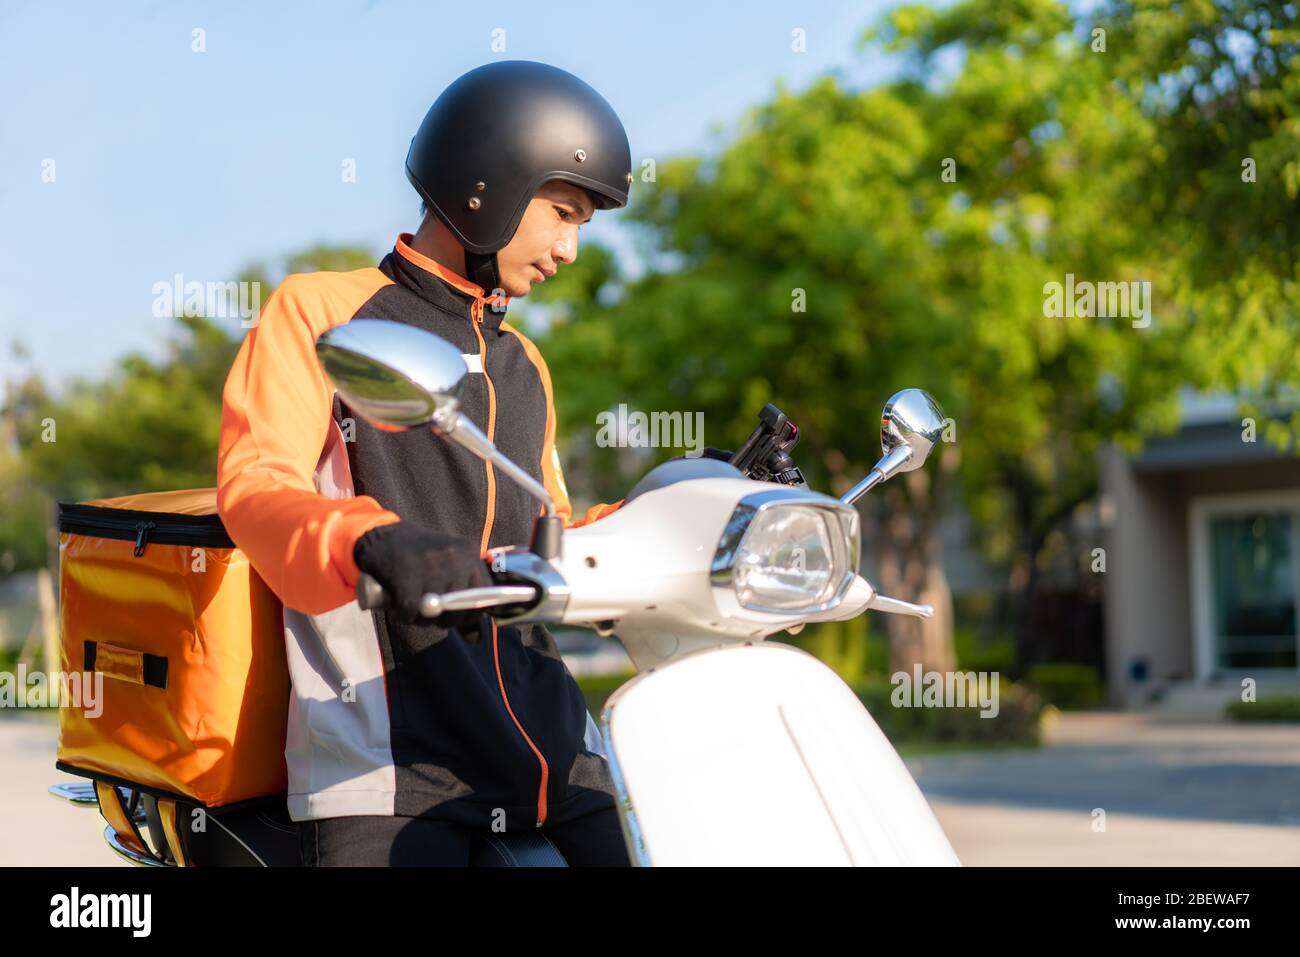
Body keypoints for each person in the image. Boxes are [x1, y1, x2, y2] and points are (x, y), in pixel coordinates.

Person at [216, 60, 634, 866]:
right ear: (488, 181)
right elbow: (256, 486)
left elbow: (549, 530)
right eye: (562, 212)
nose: (570, 248)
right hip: (394, 757)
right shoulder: (324, 313)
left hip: (554, 752)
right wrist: (368, 540)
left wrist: (679, 510)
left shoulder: (525, 364)